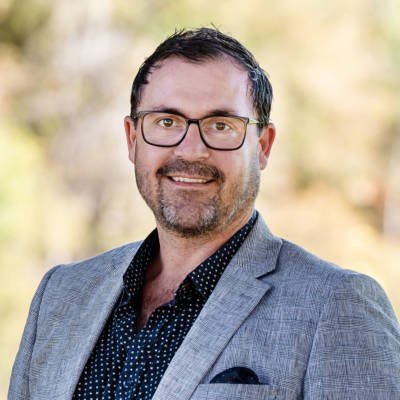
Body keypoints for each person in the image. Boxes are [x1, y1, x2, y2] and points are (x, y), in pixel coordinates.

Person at [9, 27, 400, 400]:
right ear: (132, 139)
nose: (192, 150)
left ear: (263, 146)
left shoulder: (337, 305)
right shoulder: (60, 295)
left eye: (220, 125)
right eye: (167, 121)